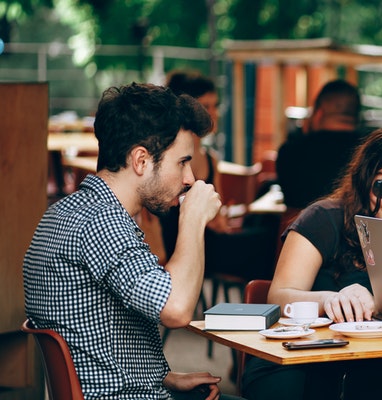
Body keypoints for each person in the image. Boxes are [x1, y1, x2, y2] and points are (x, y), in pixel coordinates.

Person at [23, 82, 242, 400]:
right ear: (141, 160)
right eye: (182, 161)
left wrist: (164, 378)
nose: (190, 178)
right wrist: (193, 219)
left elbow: (98, 333)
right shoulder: (102, 222)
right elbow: (177, 309)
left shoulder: (69, 211)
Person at [240, 125, 382, 400]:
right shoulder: (322, 218)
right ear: (364, 180)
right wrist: (332, 300)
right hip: (302, 359)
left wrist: (376, 300)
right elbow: (280, 294)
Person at [159, 69, 231, 260]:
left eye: (215, 105)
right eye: (206, 106)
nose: (214, 113)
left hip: (205, 248)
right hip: (170, 249)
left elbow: (218, 219)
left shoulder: (211, 160)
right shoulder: (163, 157)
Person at [275, 79, 367, 209]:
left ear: (318, 113)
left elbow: (290, 200)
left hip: (299, 227)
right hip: (352, 228)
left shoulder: (290, 151)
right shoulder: (370, 152)